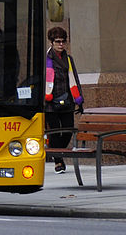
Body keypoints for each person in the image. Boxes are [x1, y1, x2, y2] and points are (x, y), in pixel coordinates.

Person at [44, 27, 84, 174]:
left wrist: (80, 100)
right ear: (52, 42)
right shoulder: (46, 59)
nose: (61, 44)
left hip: (67, 100)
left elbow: (74, 79)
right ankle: (58, 162)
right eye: (58, 42)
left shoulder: (68, 59)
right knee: (54, 132)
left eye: (63, 41)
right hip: (50, 102)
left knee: (67, 130)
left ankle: (57, 153)